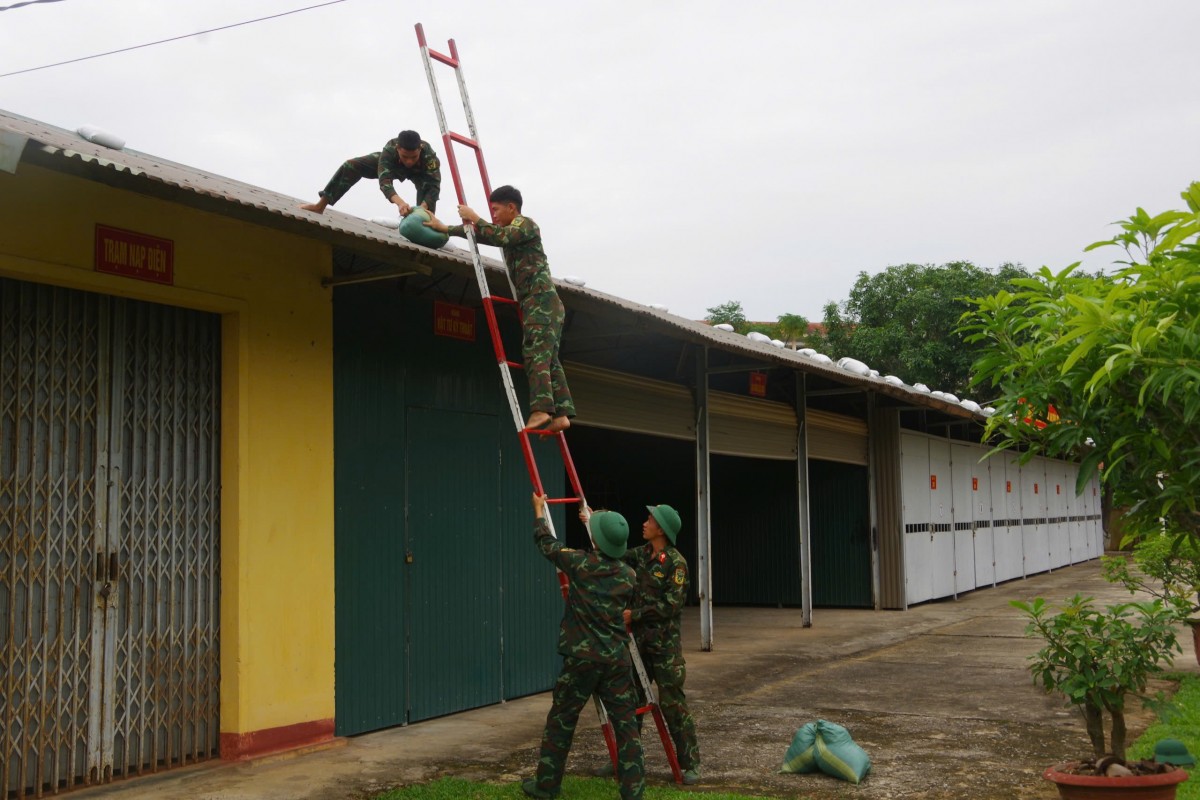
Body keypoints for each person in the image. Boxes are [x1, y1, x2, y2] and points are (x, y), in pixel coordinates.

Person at [525, 493, 644, 800]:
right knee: (627, 727)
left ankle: (546, 786)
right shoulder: (629, 576)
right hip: (617, 661)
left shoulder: (581, 563)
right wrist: (595, 522)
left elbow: (547, 545)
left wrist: (540, 511)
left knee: (562, 721)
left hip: (581, 659)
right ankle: (633, 792)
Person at [425, 186, 574, 432]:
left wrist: (473, 215)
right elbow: (487, 234)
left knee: (535, 353)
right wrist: (446, 229)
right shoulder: (510, 231)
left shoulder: (525, 224)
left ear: (511, 208)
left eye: (495, 210)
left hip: (541, 301)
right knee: (549, 360)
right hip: (541, 303)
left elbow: (499, 237)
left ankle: (541, 409)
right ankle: (562, 414)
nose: (493, 215)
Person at [586, 503, 701, 785]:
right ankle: (624, 761)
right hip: (639, 647)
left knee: (673, 705)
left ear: (661, 528)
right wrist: (594, 521)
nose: (645, 522)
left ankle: (690, 765)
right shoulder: (643, 554)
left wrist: (634, 615)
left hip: (664, 649)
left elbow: (671, 606)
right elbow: (613, 551)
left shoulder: (676, 563)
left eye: (650, 519)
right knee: (629, 704)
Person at [299, 130, 441, 216]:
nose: (409, 162)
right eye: (405, 157)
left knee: (428, 198)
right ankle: (320, 206)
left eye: (413, 157)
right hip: (393, 167)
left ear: (420, 150)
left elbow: (434, 186)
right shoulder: (390, 149)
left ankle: (427, 224)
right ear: (397, 148)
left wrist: (422, 209)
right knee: (351, 165)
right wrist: (400, 203)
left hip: (420, 174)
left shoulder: (429, 156)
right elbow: (384, 180)